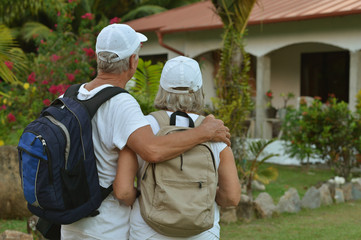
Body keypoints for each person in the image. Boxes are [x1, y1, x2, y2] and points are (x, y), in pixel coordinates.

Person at [60, 24, 230, 240]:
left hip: (71, 219)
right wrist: (204, 132)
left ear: (97, 58)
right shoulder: (121, 103)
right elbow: (152, 150)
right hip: (106, 226)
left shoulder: (70, 95)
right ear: (133, 61)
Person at [127, 56, 241, 240]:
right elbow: (232, 197)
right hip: (203, 232)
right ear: (199, 91)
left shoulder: (143, 128)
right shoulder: (215, 131)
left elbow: (124, 191)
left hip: (148, 230)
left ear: (162, 89)